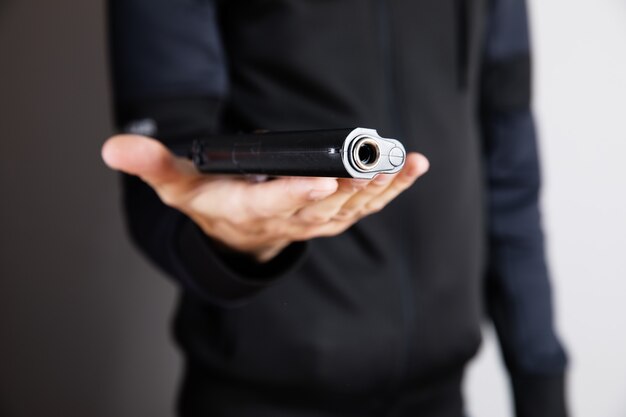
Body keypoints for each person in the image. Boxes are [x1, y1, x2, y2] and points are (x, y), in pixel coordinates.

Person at [102, 0, 568, 416]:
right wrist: (234, 244)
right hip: (260, 395)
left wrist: (541, 386)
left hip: (441, 394)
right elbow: (165, 169)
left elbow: (511, 177)